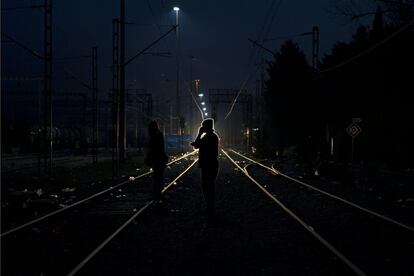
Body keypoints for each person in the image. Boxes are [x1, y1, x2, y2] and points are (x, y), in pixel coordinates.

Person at [191, 118, 219, 220]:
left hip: (208, 165)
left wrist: (199, 134)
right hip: (210, 164)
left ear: (206, 127)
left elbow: (196, 145)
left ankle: (209, 208)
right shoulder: (212, 136)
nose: (202, 128)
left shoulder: (209, 137)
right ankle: (209, 207)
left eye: (203, 126)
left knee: (207, 186)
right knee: (208, 186)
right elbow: (197, 145)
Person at [145, 121, 168, 201]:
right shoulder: (158, 135)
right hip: (160, 159)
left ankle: (157, 194)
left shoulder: (155, 136)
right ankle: (157, 194)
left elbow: (154, 150)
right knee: (158, 177)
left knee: (157, 177)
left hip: (158, 160)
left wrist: (149, 158)